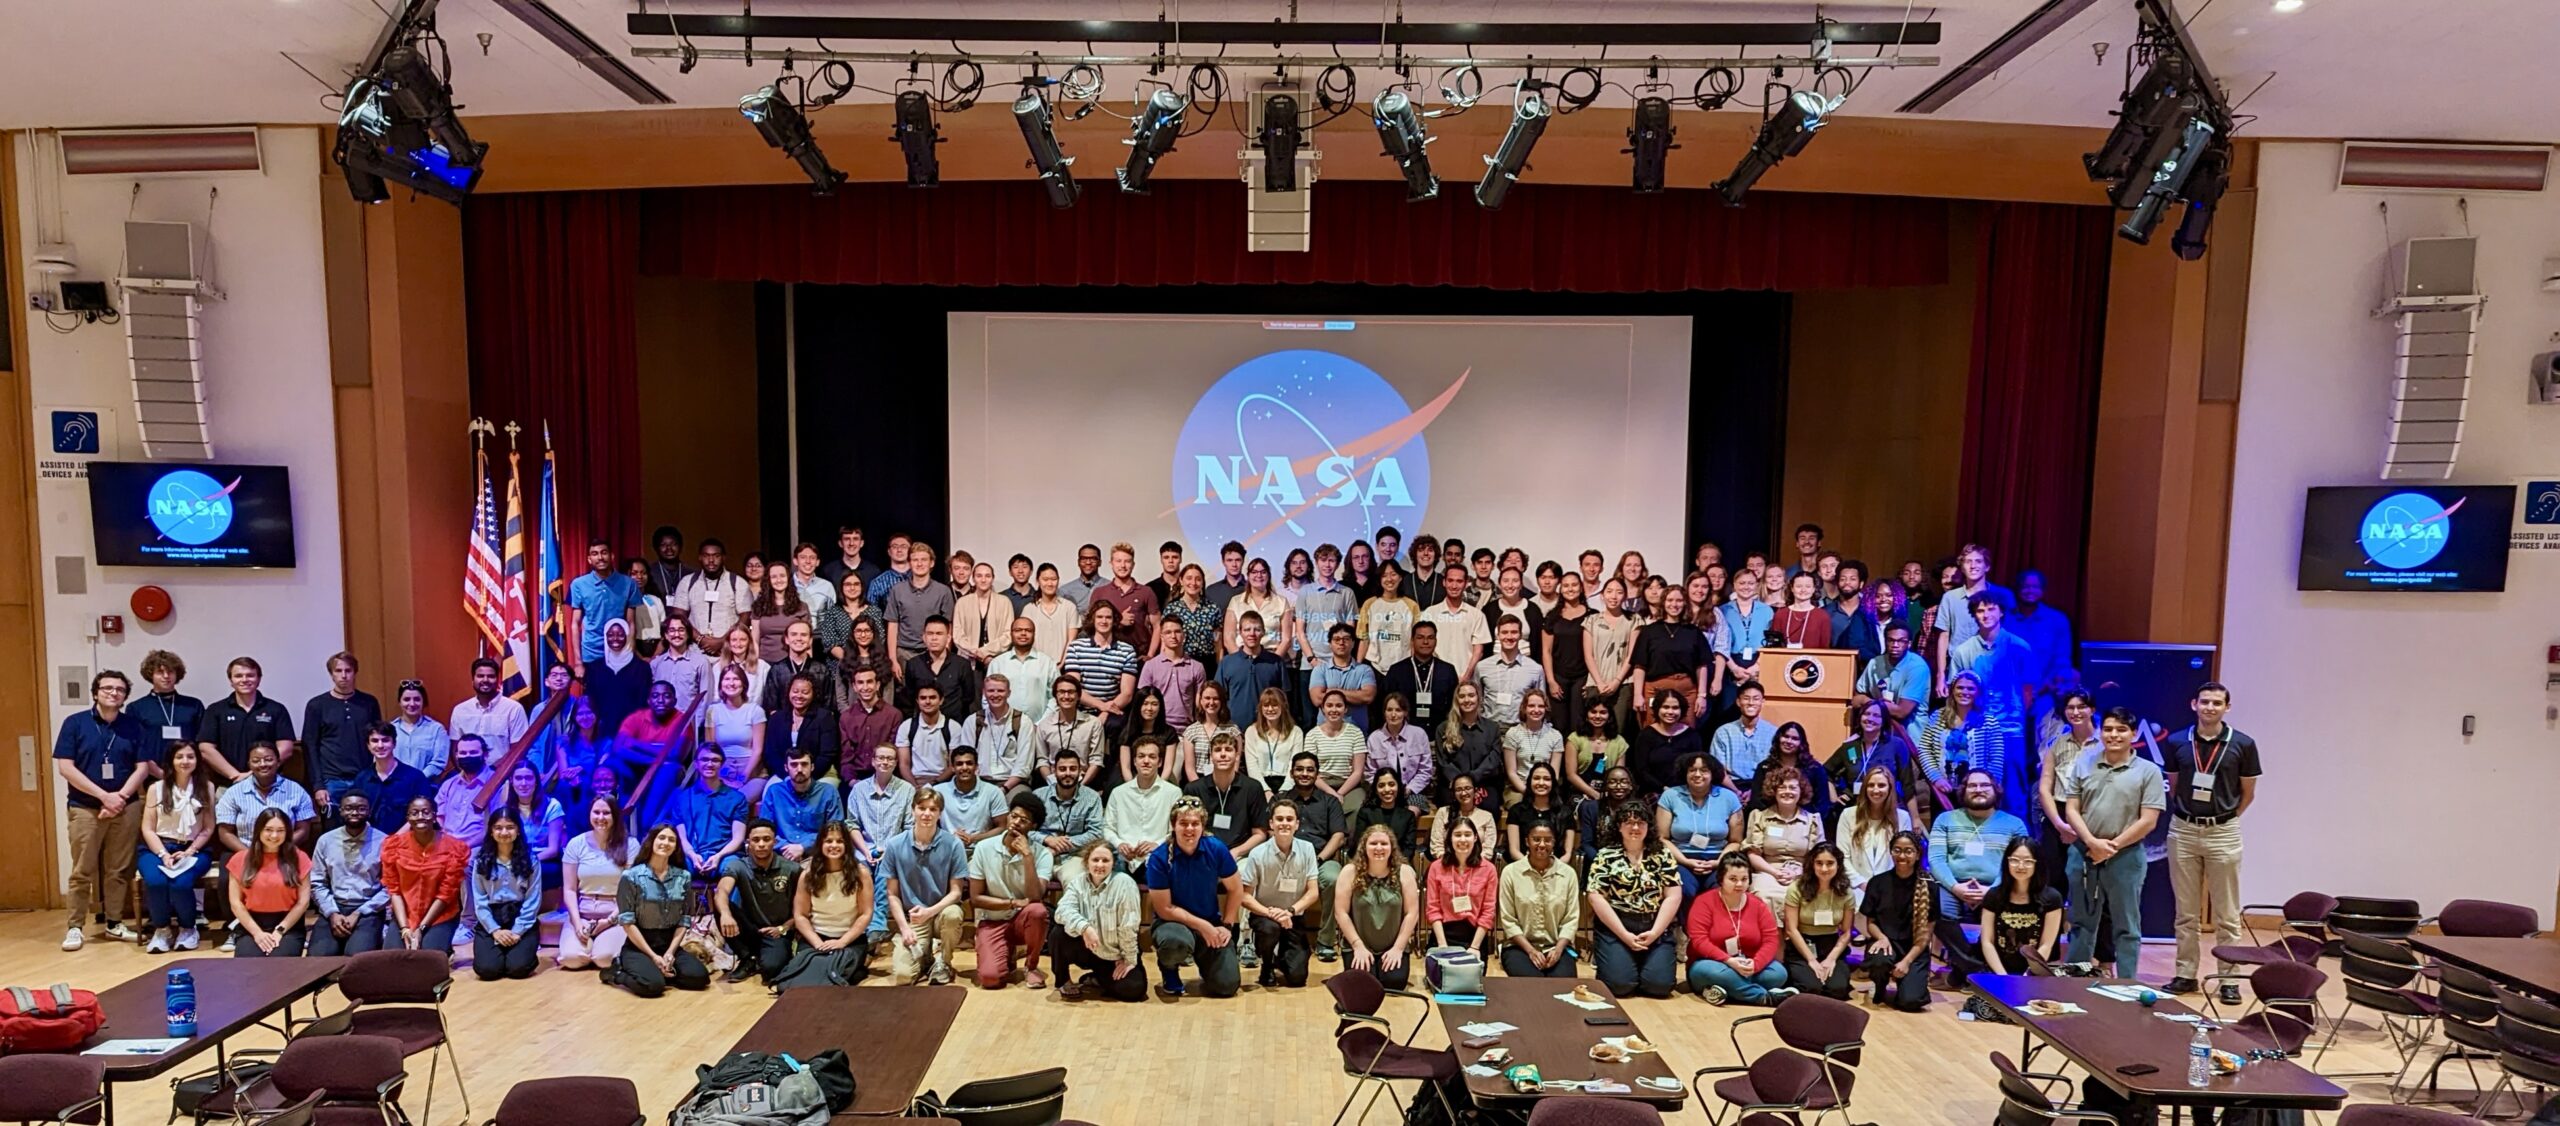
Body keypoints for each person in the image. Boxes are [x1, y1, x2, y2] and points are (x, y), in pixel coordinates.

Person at [2159, 681, 2259, 996]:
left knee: (2227, 914)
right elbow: (2174, 787)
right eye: (2205, 702)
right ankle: (2185, 974)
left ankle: (2229, 980)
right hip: (2184, 830)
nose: (2210, 708)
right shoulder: (2177, 741)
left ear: (2227, 707)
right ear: (2194, 705)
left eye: (2217, 703)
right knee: (2185, 912)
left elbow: (2248, 794)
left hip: (2224, 831)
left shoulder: (2243, 744)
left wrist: (2222, 820)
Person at [2060, 705, 2165, 981]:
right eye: (2108, 729)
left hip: (2125, 857)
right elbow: (2072, 809)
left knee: (2126, 925)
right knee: (2081, 922)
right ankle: (2076, 980)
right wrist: (2093, 842)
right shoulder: (2084, 763)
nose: (2114, 735)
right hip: (2084, 853)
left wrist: (2111, 847)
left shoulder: (2148, 771)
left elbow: (2149, 820)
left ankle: (2128, 982)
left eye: (2121, 730)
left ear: (2133, 734)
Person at [55, 669, 146, 950]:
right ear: (95, 693)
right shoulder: (75, 723)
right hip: (85, 807)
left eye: (119, 690)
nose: (113, 693)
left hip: (125, 805)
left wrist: (119, 797)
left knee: (118, 869)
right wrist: (103, 797)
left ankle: (115, 923)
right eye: (107, 688)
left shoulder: (134, 726)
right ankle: (75, 927)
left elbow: (142, 767)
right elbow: (65, 767)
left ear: (124, 696)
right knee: (82, 870)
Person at [1927, 769, 2031, 987]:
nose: (1978, 790)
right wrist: (1956, 888)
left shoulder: (2014, 824)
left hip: (2000, 887)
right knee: (1932, 904)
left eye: (1984, 785)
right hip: (1953, 887)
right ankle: (1976, 969)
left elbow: (2019, 863)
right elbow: (1936, 860)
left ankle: (1964, 969)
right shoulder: (1945, 820)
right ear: (1963, 791)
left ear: (1995, 790)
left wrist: (1993, 889)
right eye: (1972, 786)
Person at [1148, 799, 1245, 999]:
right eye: (1183, 823)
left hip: (1210, 922)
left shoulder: (1216, 848)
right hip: (1172, 924)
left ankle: (1207, 965)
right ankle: (1169, 968)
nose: (1189, 829)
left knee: (1226, 986)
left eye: (1195, 823)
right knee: (1175, 943)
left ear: (1203, 826)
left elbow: (1236, 889)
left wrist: (1226, 925)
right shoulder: (1159, 858)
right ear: (1173, 826)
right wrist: (1203, 926)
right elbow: (1165, 908)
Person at [1588, 805, 1684, 999]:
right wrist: (1624, 935)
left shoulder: (1662, 854)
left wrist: (1655, 932)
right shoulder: (1606, 855)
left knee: (1659, 987)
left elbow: (1673, 895)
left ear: (1649, 826)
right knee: (1620, 986)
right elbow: (1595, 897)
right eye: (1629, 823)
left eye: (1640, 822)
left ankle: (1642, 964)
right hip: (1618, 927)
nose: (1635, 828)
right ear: (1619, 826)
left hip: (1655, 926)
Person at [882, 788, 970, 985]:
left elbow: (956, 892)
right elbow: (892, 894)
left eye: (933, 809)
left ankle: (944, 962)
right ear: (913, 810)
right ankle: (926, 958)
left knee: (954, 914)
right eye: (922, 808)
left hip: (940, 912)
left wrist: (930, 912)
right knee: (903, 977)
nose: (927, 814)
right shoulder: (895, 845)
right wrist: (904, 928)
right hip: (914, 918)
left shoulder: (953, 844)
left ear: (940, 813)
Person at [615, 824, 712, 996]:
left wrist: (669, 953)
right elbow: (628, 924)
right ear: (651, 841)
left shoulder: (684, 876)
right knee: (652, 987)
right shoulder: (631, 876)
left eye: (671, 840)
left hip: (669, 943)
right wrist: (653, 956)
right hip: (640, 945)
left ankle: (661, 972)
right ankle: (617, 973)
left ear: (676, 846)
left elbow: (684, 919)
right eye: (661, 837)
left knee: (700, 978)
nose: (666, 842)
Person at [140, 743, 218, 953]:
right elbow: (148, 829)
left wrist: (190, 851)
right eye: (179, 757)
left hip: (194, 848)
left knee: (180, 883)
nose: (185, 761)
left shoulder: (207, 787)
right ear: (171, 761)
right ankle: (162, 930)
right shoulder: (156, 788)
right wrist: (163, 854)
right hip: (157, 847)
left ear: (197, 760)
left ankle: (188, 928)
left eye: (190, 756)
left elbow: (209, 827)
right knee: (156, 882)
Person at [969, 791, 1052, 989]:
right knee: (990, 979)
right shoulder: (984, 848)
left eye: (1023, 820)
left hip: (1022, 920)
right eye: (1013, 816)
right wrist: (1012, 903)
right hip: (992, 920)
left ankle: (1031, 967)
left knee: (1038, 911)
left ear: (1033, 827)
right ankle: (1006, 952)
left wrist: (1027, 857)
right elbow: (975, 898)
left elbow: (1035, 897)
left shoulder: (1042, 854)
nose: (1015, 822)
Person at [1239, 798, 1324, 988]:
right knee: (1270, 930)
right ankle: (1266, 964)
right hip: (1264, 916)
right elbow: (1244, 897)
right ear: (1271, 824)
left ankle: (1283, 954)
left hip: (1293, 916)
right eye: (1279, 819)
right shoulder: (1257, 853)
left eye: (1289, 819)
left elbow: (1312, 893)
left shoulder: (1307, 849)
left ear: (1297, 824)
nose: (1284, 823)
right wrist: (1271, 913)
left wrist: (1290, 912)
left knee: (1297, 978)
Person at [1054, 840, 1148, 1002]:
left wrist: (1128, 960)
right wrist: (1084, 928)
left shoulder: (1125, 884)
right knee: (1058, 933)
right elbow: (1062, 911)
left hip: (1114, 954)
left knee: (1134, 990)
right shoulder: (1077, 883)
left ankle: (1098, 978)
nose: (1100, 865)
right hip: (1087, 947)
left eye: (1106, 860)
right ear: (1086, 862)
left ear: (1113, 864)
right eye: (1095, 860)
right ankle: (1063, 980)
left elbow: (1128, 926)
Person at [783, 822, 875, 987]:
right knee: (803, 980)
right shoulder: (808, 875)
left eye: (839, 841)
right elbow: (800, 915)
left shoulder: (861, 873)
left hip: (850, 939)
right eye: (828, 841)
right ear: (821, 844)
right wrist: (818, 943)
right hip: (816, 938)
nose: (834, 845)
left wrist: (842, 942)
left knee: (835, 976)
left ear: (847, 844)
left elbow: (865, 914)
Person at [1335, 822, 1421, 989]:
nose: (1379, 848)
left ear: (1392, 847)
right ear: (1364, 847)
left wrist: (1398, 948)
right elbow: (1341, 912)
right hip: (1359, 944)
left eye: (1384, 843)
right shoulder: (1349, 872)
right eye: (1373, 843)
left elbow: (1412, 913)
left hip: (1393, 945)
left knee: (1394, 983)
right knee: (1362, 984)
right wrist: (1357, 946)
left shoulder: (1404, 872)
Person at [715, 819, 801, 984]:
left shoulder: (792, 869)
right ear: (748, 843)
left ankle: (766, 957)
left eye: (766, 839)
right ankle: (747, 959)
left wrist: (784, 927)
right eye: (756, 840)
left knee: (771, 970)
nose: (761, 844)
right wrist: (726, 915)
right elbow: (722, 891)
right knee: (721, 907)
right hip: (749, 929)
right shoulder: (738, 866)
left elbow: (805, 908)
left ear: (775, 842)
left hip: (777, 931)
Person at [1857, 830, 1935, 1012]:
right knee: (1879, 960)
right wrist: (1881, 938)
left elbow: (1926, 934)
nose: (1902, 855)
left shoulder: (1929, 886)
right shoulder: (1877, 883)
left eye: (1908, 851)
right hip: (1886, 943)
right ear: (1891, 852)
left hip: (1914, 948)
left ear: (1917, 855)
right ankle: (1880, 983)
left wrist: (1907, 961)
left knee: (1910, 1002)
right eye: (1897, 850)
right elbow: (1871, 922)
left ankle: (1906, 984)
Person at [1915, 672, 2009, 822]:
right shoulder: (1937, 717)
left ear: (1977, 692)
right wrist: (1936, 778)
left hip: (1976, 792)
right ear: (1952, 690)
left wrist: (1987, 788)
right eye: (1960, 688)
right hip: (1944, 790)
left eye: (1970, 689)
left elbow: (1996, 759)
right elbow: (1925, 749)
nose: (1964, 692)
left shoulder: (1989, 721)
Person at [382, 795, 468, 956]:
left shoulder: (454, 848)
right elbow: (394, 891)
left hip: (440, 915)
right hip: (405, 914)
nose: (420, 817)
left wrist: (421, 928)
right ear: (408, 818)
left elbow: (445, 894)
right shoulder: (393, 846)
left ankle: (445, 947)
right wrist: (405, 928)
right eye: (414, 813)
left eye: (426, 812)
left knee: (426, 959)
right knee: (392, 959)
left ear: (435, 815)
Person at [308, 791, 391, 956]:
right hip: (334, 905)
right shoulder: (326, 841)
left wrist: (359, 912)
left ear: (369, 811)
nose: (354, 813)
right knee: (317, 960)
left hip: (368, 910)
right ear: (341, 811)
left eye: (361, 809)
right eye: (349, 808)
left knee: (357, 960)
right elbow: (317, 882)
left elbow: (390, 887)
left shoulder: (384, 842)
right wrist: (332, 913)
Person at [1655, 752, 1740, 908]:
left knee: (1722, 890)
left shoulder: (1729, 798)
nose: (1698, 774)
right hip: (1680, 858)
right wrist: (1686, 861)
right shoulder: (1670, 796)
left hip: (1719, 859)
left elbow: (1736, 841)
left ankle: (1715, 931)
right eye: (1692, 770)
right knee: (1684, 890)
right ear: (1685, 773)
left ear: (1713, 773)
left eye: (1704, 770)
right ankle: (1687, 931)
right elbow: (1662, 838)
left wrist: (1717, 862)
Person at [558, 795, 635, 970]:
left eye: (606, 813)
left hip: (615, 914)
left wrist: (608, 921)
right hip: (583, 914)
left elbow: (631, 891)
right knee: (572, 959)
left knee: (604, 959)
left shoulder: (630, 845)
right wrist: (577, 924)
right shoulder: (575, 844)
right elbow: (569, 890)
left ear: (615, 816)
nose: (601, 818)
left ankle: (600, 948)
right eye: (596, 812)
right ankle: (587, 945)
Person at [195, 657, 298, 783]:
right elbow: (206, 749)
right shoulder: (215, 710)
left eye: (250, 675)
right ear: (231, 680)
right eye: (238, 676)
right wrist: (235, 776)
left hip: (269, 785)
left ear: (259, 679)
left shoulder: (276, 709)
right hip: (227, 784)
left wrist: (252, 775)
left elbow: (286, 749)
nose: (244, 680)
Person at [468, 805, 543, 980]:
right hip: (491, 916)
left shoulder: (530, 859)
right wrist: (495, 930)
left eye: (510, 827)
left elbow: (533, 899)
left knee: (518, 969)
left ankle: (520, 950)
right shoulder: (481, 861)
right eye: (498, 828)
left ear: (518, 830)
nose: (504, 832)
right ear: (491, 832)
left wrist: (517, 931)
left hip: (520, 915)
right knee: (487, 970)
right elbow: (479, 901)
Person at [1498, 823, 1581, 978]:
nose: (1542, 844)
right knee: (1532, 984)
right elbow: (1508, 920)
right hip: (1519, 947)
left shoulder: (1568, 874)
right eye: (1536, 839)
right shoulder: (1510, 872)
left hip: (1557, 947)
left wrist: (1558, 949)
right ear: (1527, 841)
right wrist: (1531, 951)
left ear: (1554, 842)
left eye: (1547, 840)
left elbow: (1571, 918)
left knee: (1562, 986)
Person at [226, 809, 312, 958]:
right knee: (248, 966)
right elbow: (236, 903)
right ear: (258, 830)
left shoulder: (299, 858)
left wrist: (280, 930)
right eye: (268, 830)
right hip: (251, 923)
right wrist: (257, 933)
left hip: (288, 924)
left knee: (279, 964)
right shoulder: (239, 859)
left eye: (280, 830)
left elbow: (303, 902)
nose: (274, 836)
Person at [300, 652, 382, 808]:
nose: (343, 675)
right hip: (331, 781)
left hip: (363, 777)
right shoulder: (316, 705)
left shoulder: (369, 703)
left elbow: (377, 740)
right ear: (331, 674)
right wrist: (318, 785)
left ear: (355, 672)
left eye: (348, 670)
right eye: (338, 671)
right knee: (333, 829)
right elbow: (310, 746)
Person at [1738, 767, 1824, 913]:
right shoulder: (1759, 816)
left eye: (1792, 787)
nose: (1787, 791)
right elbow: (1753, 854)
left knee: (1806, 895)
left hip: (1803, 872)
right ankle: (1772, 936)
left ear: (1800, 791)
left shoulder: (1813, 820)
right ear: (1774, 791)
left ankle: (1798, 936)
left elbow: (1819, 857)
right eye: (1782, 787)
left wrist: (1798, 873)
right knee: (1764, 895)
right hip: (1767, 871)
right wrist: (1775, 873)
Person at [1932, 544, 2015, 693]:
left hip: (1994, 666)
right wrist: (1940, 675)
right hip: (1959, 667)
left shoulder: (2001, 595)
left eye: (1978, 561)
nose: (1973, 566)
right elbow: (1943, 636)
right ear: (1962, 567)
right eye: (1968, 561)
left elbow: (2009, 633)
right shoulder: (1950, 598)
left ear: (1987, 566)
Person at [1980, 837, 2065, 981]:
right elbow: (1987, 941)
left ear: (2037, 864)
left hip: (2035, 975)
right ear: (2007, 862)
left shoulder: (2052, 898)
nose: (2020, 866)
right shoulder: (1994, 895)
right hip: (1998, 973)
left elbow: (2046, 944)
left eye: (2028, 861)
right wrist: (2003, 977)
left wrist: (2027, 975)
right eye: (2014, 860)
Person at [1779, 843, 1856, 999]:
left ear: (1838, 865)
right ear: (1812, 864)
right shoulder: (1797, 888)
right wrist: (1811, 960)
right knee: (1811, 988)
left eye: (1830, 863)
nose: (1824, 869)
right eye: (1819, 863)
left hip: (1830, 945)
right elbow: (1791, 930)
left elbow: (1847, 932)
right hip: (1803, 945)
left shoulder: (1846, 891)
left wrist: (1831, 959)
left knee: (1837, 989)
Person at [216, 743, 317, 857]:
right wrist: (250, 855)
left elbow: (303, 831)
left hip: (285, 853)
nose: (263, 764)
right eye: (256, 761)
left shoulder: (297, 791)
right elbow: (225, 833)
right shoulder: (233, 793)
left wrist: (278, 850)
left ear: (278, 762)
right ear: (249, 765)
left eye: (268, 760)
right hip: (244, 853)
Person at [1829, 700, 1920, 821]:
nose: (1870, 718)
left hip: (1886, 809)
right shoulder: (1850, 747)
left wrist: (1915, 818)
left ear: (1884, 721)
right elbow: (1826, 771)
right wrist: (1833, 797)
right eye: (1866, 714)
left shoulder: (1896, 745)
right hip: (1855, 809)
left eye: (1876, 716)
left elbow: (1907, 784)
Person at [1835, 765, 1914, 902]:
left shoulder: (1903, 817)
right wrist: (1862, 884)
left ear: (1890, 789)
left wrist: (1885, 886)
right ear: (1864, 788)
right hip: (1855, 888)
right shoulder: (1848, 815)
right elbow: (1842, 857)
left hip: (1892, 888)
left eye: (1881, 785)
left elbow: (1905, 858)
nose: (1876, 790)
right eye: (1871, 785)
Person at [1104, 737, 1180, 874]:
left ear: (1160, 762)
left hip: (1157, 857)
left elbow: (1176, 830)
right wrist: (1119, 844)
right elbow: (1107, 827)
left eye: (1152, 757)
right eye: (1141, 756)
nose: (1146, 761)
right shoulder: (1119, 793)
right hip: (1122, 858)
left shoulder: (1173, 793)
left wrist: (1157, 845)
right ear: (1134, 761)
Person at [673, 744, 749, 881]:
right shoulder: (682, 798)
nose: (709, 764)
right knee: (674, 868)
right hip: (693, 855)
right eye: (704, 759)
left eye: (715, 760)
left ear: (722, 764)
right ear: (696, 763)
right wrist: (692, 855)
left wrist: (718, 856)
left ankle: (726, 903)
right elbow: (682, 838)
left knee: (734, 868)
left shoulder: (737, 798)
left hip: (725, 855)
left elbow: (738, 838)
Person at [1426, 816, 1499, 957]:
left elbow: (1488, 911)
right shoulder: (1436, 867)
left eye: (1468, 835)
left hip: (1474, 935)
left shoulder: (1488, 869)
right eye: (1457, 835)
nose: (1463, 840)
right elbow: (1432, 908)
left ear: (1476, 838)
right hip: (1443, 933)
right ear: (1450, 839)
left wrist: (1475, 947)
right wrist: (1442, 946)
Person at [1064, 603, 1139, 734]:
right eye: (1099, 617)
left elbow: (1127, 694)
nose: (1104, 621)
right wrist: (1102, 706)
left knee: (1117, 725)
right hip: (1081, 708)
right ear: (1093, 619)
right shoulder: (1076, 647)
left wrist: (1105, 711)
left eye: (1108, 617)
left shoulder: (1127, 650)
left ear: (1114, 620)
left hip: (1112, 710)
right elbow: (1074, 688)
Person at [761, 745, 843, 860]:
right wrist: (786, 848)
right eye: (794, 764)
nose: (799, 769)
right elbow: (764, 828)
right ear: (786, 767)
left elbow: (835, 829)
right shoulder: (774, 792)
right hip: (781, 854)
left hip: (817, 854)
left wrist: (803, 847)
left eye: (804, 764)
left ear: (812, 767)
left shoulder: (828, 792)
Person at [1379, 620, 1460, 734]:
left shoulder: (1447, 670)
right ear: (1412, 640)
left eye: (1430, 637)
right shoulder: (1397, 670)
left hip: (1440, 734)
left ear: (1436, 641)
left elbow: (1454, 706)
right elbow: (1384, 704)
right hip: (1404, 736)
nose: (1425, 642)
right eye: (1420, 637)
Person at [1709, 570, 1772, 711]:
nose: (1746, 587)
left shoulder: (1767, 611)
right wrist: (1734, 668)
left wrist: (1756, 668)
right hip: (1730, 663)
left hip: (1758, 663)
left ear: (1757, 585)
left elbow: (1771, 643)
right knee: (1728, 710)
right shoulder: (1722, 610)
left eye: (1750, 583)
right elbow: (1718, 643)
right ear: (1734, 586)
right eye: (1742, 583)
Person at [448, 658, 531, 762]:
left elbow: (518, 750)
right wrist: (467, 775)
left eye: (491, 676)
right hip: (467, 775)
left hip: (502, 775)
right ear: (473, 680)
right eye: (480, 676)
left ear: (498, 680)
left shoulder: (513, 709)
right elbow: (455, 749)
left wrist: (493, 774)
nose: (485, 680)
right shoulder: (460, 710)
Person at [135, 650, 206, 772]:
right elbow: (137, 746)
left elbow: (202, 742)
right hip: (153, 774)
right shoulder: (137, 707)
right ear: (150, 674)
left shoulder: (194, 705)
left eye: (170, 671)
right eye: (160, 672)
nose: (166, 676)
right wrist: (157, 773)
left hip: (190, 773)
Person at [675, 538, 755, 645]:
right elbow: (679, 616)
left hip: (728, 649)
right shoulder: (687, 582)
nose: (711, 560)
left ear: (723, 558)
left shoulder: (738, 583)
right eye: (706, 556)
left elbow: (745, 617)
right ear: (699, 558)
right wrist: (700, 639)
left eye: (716, 556)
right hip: (694, 650)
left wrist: (722, 641)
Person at [1626, 689, 1704, 796]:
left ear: (1682, 710)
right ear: (1657, 709)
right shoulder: (1646, 735)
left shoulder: (1692, 735)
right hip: (1654, 791)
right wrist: (1664, 788)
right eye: (1665, 707)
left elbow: (1697, 767)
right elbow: (1641, 770)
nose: (1670, 712)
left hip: (1686, 792)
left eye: (1675, 708)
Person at [1435, 683, 1502, 805]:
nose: (1467, 700)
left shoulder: (1492, 728)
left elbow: (1493, 760)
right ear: (1456, 700)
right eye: (1462, 696)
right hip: (1452, 784)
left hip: (1483, 783)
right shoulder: (1443, 728)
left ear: (1479, 698)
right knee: (1450, 809)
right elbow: (1443, 762)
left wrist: (1472, 779)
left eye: (1471, 695)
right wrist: (1462, 783)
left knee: (1490, 807)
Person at [1303, 690, 1368, 815]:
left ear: (1345, 709)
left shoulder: (1355, 733)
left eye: (1339, 706)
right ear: (1322, 709)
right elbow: (1311, 772)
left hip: (1349, 785)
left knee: (1358, 807)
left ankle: (1347, 835)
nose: (1334, 710)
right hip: (1321, 785)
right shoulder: (1312, 735)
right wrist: (1332, 794)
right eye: (1329, 705)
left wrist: (1340, 793)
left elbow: (1358, 772)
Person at [834, 665, 901, 784]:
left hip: (885, 776)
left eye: (869, 682)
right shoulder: (846, 717)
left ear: (877, 685)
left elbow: (893, 755)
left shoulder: (894, 715)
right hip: (855, 778)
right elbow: (846, 756)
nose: (865, 687)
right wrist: (852, 781)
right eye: (860, 683)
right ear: (854, 687)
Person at [1759, 722, 1835, 826]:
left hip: (1806, 824)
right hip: (1771, 822)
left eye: (1795, 739)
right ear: (1778, 738)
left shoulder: (1815, 769)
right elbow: (1757, 801)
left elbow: (1822, 804)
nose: (1789, 741)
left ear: (1801, 743)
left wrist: (1809, 823)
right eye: (1786, 737)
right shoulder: (1765, 767)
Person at [1708, 682, 1778, 793]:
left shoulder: (1773, 732)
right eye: (1746, 698)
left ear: (1762, 702)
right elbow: (1718, 769)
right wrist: (1736, 791)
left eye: (1756, 699)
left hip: (1761, 787)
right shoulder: (1723, 732)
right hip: (1729, 786)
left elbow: (1774, 769)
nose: (1751, 703)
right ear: (1738, 702)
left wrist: (1753, 792)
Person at [491, 761, 565, 863]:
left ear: (536, 781)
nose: (523, 783)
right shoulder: (506, 808)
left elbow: (553, 850)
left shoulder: (552, 806)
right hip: (515, 859)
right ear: (512, 782)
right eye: (518, 778)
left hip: (544, 860)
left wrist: (528, 862)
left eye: (528, 778)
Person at [1365, 693, 1434, 800]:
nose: (1393, 714)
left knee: (1410, 813)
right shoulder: (1374, 738)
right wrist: (1384, 790)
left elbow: (1425, 770)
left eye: (1398, 710)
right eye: (1389, 710)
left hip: (1413, 791)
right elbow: (1370, 773)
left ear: (1405, 712)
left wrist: (1409, 789)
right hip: (1383, 793)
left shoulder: (1419, 735)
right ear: (1384, 712)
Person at [1507, 761, 1577, 865]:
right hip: (1524, 868)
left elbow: (1567, 854)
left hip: (1556, 870)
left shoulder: (1565, 813)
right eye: (1536, 778)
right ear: (1529, 782)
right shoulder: (1517, 811)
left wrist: (1552, 870)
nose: (1541, 783)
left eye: (1547, 779)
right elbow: (1514, 851)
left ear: (1553, 783)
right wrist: (1532, 869)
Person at [1357, 563, 1420, 670]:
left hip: (1403, 666)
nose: (1389, 579)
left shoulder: (1411, 605)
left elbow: (1414, 640)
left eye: (1393, 574)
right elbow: (1364, 639)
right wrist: (1358, 666)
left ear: (1400, 577)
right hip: (1374, 666)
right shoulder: (1369, 604)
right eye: (1384, 575)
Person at [1351, 765, 1424, 858]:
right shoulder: (1365, 813)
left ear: (1398, 787)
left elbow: (1409, 850)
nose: (1387, 789)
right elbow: (1359, 845)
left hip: (1399, 865)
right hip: (1370, 863)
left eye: (1391, 784)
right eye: (1381, 786)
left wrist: (1393, 866)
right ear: (1376, 790)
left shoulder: (1408, 816)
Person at [1243, 687, 1303, 792]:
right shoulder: (1251, 731)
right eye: (1266, 705)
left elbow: (1294, 765)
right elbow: (1252, 766)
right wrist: (1265, 791)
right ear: (1260, 708)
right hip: (1259, 785)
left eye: (1275, 705)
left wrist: (1284, 791)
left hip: (1287, 784)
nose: (1270, 709)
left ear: (1283, 706)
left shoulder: (1296, 732)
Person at [1178, 682, 1239, 784]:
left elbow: (1235, 764)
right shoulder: (1191, 731)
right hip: (1198, 781)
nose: (1211, 702)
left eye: (1216, 698)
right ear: (1201, 701)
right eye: (1207, 698)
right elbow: (1190, 769)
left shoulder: (1233, 730)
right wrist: (1201, 789)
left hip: (1226, 781)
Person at [1429, 773, 1498, 863]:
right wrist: (1454, 863)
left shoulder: (1487, 816)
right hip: (1447, 864)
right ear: (1453, 793)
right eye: (1458, 790)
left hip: (1477, 865)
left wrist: (1469, 864)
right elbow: (1437, 847)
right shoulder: (1443, 812)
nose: (1463, 793)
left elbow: (1488, 851)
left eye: (1467, 788)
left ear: (1475, 790)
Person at [1565, 698, 1621, 803]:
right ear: (1586, 715)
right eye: (1593, 712)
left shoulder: (1619, 742)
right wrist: (1594, 794)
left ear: (1609, 716)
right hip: (1579, 793)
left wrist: (1605, 796)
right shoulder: (1574, 739)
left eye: (1603, 712)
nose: (1598, 716)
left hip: (1609, 794)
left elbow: (1619, 775)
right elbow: (1571, 775)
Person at [1772, 572, 1834, 650]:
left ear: (1813, 589)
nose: (1803, 590)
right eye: (1799, 586)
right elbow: (1775, 647)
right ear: (1792, 588)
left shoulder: (1822, 616)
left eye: (1808, 586)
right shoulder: (1781, 615)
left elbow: (1825, 647)